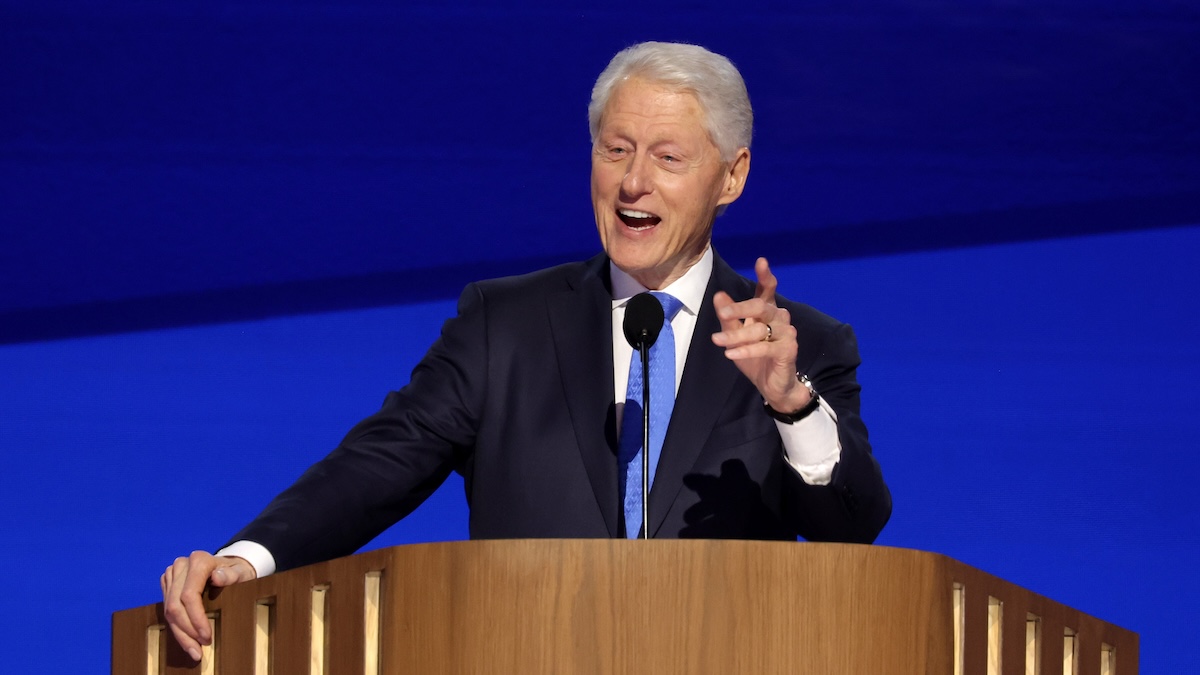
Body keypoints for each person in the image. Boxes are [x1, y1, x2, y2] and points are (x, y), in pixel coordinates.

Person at [161, 41, 891, 661]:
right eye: (616, 150)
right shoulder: (504, 324)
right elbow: (382, 461)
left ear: (731, 176)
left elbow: (852, 529)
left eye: (668, 157)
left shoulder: (801, 348)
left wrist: (790, 402)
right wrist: (248, 558)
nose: (634, 181)